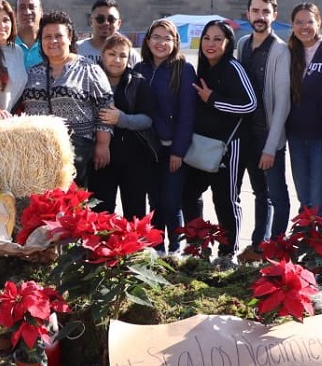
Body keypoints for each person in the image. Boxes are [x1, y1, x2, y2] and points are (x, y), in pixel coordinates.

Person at [181, 20, 258, 264]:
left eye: (217, 39)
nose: (211, 44)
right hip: (203, 145)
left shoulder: (233, 68)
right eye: (206, 38)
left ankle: (227, 253)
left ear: (228, 43)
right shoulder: (202, 67)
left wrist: (212, 98)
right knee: (190, 193)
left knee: (225, 198)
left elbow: (250, 104)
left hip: (230, 146)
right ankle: (197, 244)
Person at [20, 11, 113, 188]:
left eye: (58, 36)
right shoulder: (32, 73)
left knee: (75, 208)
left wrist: (103, 144)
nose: (53, 41)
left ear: (70, 38)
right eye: (47, 36)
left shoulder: (88, 69)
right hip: (39, 154)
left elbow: (105, 107)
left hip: (78, 153)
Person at [236, 0, 291, 263]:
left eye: (265, 12)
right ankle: (258, 245)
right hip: (246, 135)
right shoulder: (243, 43)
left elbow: (283, 103)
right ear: (248, 14)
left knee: (275, 195)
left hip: (269, 136)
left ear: (274, 15)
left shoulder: (280, 50)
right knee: (259, 194)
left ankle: (276, 251)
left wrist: (272, 146)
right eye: (256, 11)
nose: (260, 17)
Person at [134, 18, 196, 254]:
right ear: (148, 41)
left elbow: (187, 114)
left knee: (171, 201)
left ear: (175, 42)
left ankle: (176, 247)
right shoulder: (140, 69)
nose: (161, 43)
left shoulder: (184, 69)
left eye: (167, 38)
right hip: (149, 148)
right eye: (156, 37)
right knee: (156, 201)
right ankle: (157, 246)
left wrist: (178, 151)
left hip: (172, 147)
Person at [286, 2, 322, 219]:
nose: (304, 27)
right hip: (296, 137)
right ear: (292, 25)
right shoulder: (290, 53)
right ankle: (307, 248)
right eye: (299, 22)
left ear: (319, 22)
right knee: (304, 198)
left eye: (309, 21)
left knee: (320, 200)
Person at [93, 34, 158, 217]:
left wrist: (122, 119)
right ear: (102, 55)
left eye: (123, 56)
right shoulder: (91, 79)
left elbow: (147, 119)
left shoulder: (137, 81)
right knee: (101, 214)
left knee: (135, 212)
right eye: (112, 54)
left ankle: (134, 247)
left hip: (133, 158)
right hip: (100, 159)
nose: (117, 60)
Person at [76, 0, 140, 67]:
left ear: (118, 24)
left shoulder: (129, 54)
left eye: (111, 19)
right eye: (100, 19)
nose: (106, 23)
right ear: (91, 21)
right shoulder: (77, 49)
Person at [15, 0, 44, 69]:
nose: (27, 12)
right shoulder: (6, 45)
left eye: (32, 7)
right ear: (15, 14)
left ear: (41, 12)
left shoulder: (49, 44)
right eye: (22, 8)